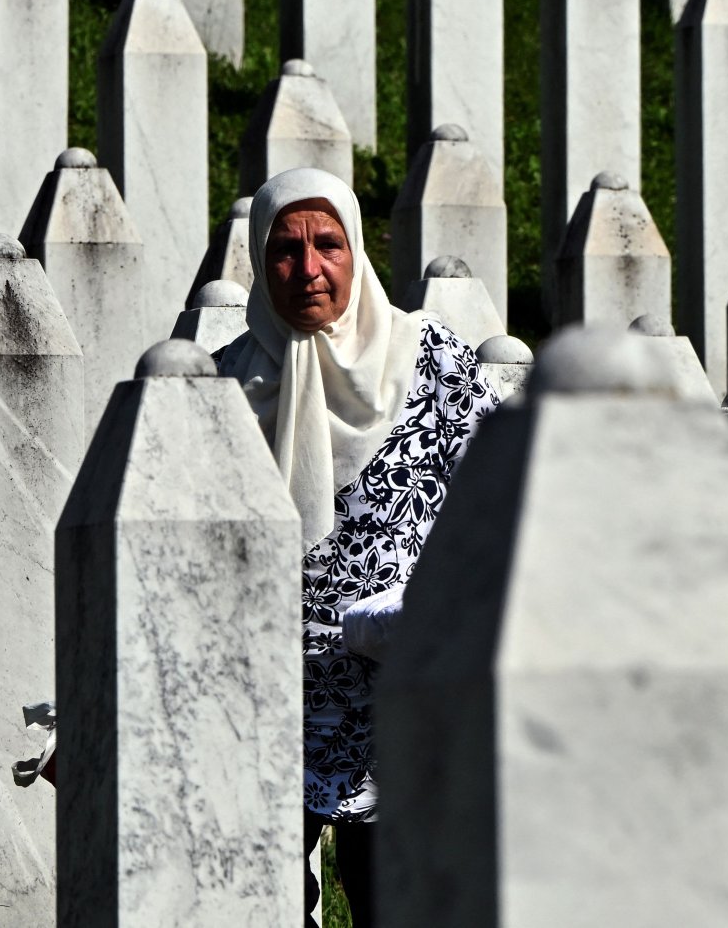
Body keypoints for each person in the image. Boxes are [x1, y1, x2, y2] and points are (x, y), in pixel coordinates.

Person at [216, 168, 500, 926]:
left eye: (328, 245)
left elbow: (502, 503)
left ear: (357, 252)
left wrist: (427, 607)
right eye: (285, 250)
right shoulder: (223, 389)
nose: (308, 270)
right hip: (270, 712)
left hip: (403, 703)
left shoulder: (430, 362)